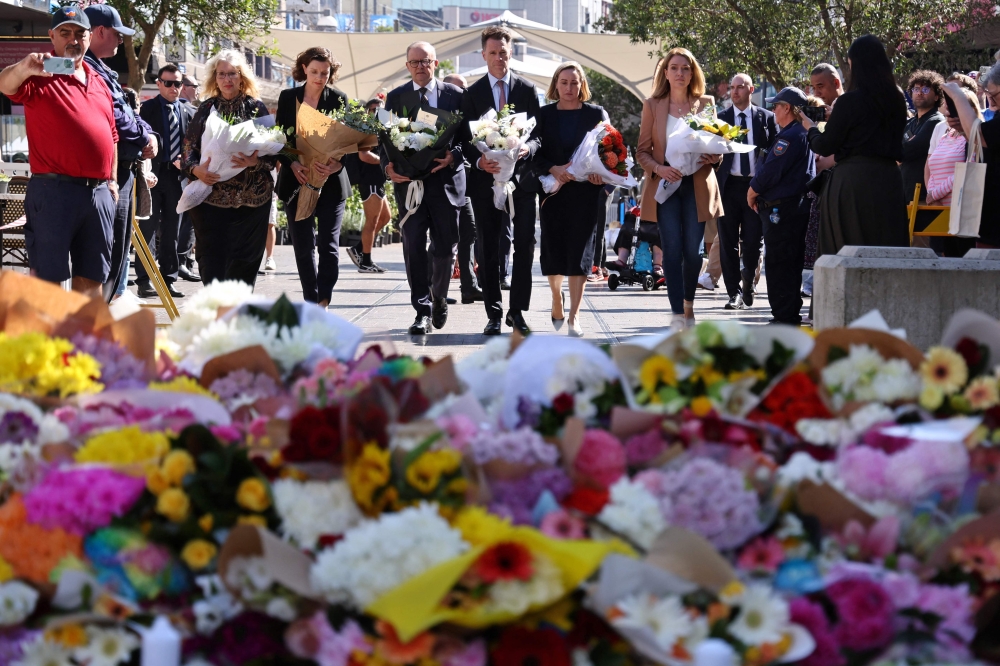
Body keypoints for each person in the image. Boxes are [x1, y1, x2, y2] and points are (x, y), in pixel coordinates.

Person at [0, 6, 118, 298]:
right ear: (52, 36)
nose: (73, 40)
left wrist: (112, 182)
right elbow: (4, 84)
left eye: (80, 33)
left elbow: (112, 135)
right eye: (65, 33)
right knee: (47, 284)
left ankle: (80, 343)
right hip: (54, 191)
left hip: (98, 194)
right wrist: (23, 67)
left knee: (92, 280)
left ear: (90, 38)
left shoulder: (99, 80)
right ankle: (45, 343)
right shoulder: (38, 74)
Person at [459, 27, 540, 336]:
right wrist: (479, 160)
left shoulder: (527, 89)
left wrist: (526, 149)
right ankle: (494, 312)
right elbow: (465, 140)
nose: (498, 58)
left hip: (521, 182)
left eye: (503, 52)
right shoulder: (472, 93)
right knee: (488, 248)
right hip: (486, 181)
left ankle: (517, 312)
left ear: (510, 53)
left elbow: (538, 135)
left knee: (525, 245)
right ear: (483, 55)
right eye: (492, 53)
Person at [636, 48, 723, 329]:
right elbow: (642, 152)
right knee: (672, 250)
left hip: (697, 185)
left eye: (685, 68)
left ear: (692, 72)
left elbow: (717, 147)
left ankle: (689, 305)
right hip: (666, 187)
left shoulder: (706, 102)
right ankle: (677, 314)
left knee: (694, 253)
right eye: (674, 68)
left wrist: (715, 156)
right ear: (666, 72)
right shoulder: (652, 105)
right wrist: (659, 169)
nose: (680, 73)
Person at [383, 41, 466, 335]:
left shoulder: (456, 96)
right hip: (410, 186)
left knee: (445, 246)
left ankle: (439, 296)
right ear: (407, 66)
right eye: (414, 62)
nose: (420, 66)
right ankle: (422, 311)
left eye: (425, 61)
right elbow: (386, 139)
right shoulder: (395, 97)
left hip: (445, 182)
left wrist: (453, 155)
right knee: (414, 247)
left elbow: (469, 138)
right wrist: (387, 166)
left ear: (436, 63)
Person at [800, 35, 910, 256]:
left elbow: (825, 145)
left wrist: (811, 128)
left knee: (849, 252)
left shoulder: (850, 100)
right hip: (889, 181)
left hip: (853, 184)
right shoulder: (897, 98)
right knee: (887, 249)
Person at [182, 49, 277, 287]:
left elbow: (276, 153)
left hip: (253, 199)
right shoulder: (205, 109)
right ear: (215, 78)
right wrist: (196, 170)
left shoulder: (256, 108)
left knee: (245, 264)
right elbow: (186, 150)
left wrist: (256, 162)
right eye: (222, 74)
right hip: (212, 199)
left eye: (232, 74)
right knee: (212, 261)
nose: (227, 79)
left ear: (241, 77)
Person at [83, 4, 158, 303]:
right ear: (100, 31)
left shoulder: (103, 69)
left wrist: (147, 134)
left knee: (115, 257)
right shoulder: (88, 68)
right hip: (109, 176)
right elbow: (115, 114)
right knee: (105, 259)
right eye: (117, 34)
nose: (121, 41)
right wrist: (144, 137)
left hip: (123, 170)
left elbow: (127, 109)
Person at [531, 62, 608, 337]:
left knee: (580, 253)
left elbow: (609, 151)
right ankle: (556, 296)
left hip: (586, 193)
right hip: (554, 193)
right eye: (564, 82)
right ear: (555, 85)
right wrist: (554, 169)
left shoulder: (595, 114)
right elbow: (534, 154)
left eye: (574, 82)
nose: (569, 88)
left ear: (582, 85)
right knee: (553, 252)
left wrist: (603, 175)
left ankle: (575, 316)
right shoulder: (544, 115)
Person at [275, 47, 354, 307]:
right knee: (303, 246)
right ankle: (310, 302)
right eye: (314, 72)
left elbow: (348, 141)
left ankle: (323, 300)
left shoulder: (339, 99)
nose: (320, 78)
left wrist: (334, 165)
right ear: (304, 70)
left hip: (331, 184)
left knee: (329, 246)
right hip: (296, 182)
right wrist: (293, 164)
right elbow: (279, 139)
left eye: (325, 72)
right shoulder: (288, 98)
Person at [747, 87, 816, 325]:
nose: (773, 110)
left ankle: (784, 317)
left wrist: (752, 191)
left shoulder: (790, 136)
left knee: (780, 264)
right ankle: (786, 314)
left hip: (782, 209)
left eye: (776, 106)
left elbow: (771, 170)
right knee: (788, 263)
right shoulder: (800, 132)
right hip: (792, 207)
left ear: (787, 108)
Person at [715, 72, 777, 310]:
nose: (735, 91)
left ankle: (748, 281)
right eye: (733, 87)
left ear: (751, 90)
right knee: (728, 242)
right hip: (728, 186)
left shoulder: (766, 118)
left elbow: (773, 153)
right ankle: (734, 293)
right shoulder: (721, 118)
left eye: (741, 87)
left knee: (753, 242)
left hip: (755, 187)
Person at [138, 64, 197, 298]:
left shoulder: (189, 112)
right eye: (169, 83)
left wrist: (188, 162)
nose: (174, 88)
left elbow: (195, 145)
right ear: (159, 83)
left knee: (173, 229)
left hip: (176, 177)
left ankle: (169, 279)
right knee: (148, 228)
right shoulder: (147, 109)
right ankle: (144, 281)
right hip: (153, 175)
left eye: (178, 84)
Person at [943, 64, 1000, 248]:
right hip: (989, 215)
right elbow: (983, 142)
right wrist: (964, 129)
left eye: (994, 95)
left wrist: (958, 96)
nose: (991, 100)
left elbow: (981, 134)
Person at [442, 73, 484, 303]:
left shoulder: (468, 116)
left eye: (465, 89)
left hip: (464, 183)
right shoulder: (438, 114)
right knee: (445, 238)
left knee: (469, 231)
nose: (463, 93)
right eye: (459, 89)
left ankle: (469, 286)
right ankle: (437, 289)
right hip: (443, 184)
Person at [344, 97, 392, 274]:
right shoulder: (365, 129)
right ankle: (365, 261)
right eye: (372, 109)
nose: (376, 112)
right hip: (369, 180)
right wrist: (385, 163)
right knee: (372, 220)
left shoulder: (379, 128)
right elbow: (364, 155)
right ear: (367, 111)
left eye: (379, 109)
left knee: (385, 218)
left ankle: (358, 248)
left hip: (377, 180)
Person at [900, 70, 944, 203]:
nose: (919, 92)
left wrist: (900, 150)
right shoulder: (910, 123)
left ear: (936, 96)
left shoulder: (936, 121)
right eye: (916, 89)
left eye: (925, 89)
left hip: (923, 197)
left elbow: (906, 151)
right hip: (904, 193)